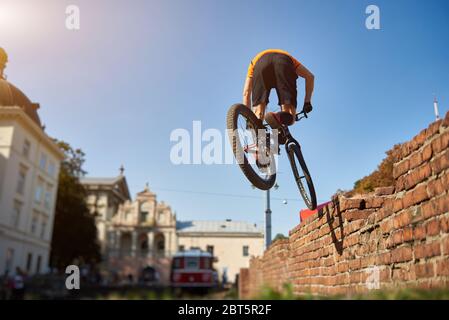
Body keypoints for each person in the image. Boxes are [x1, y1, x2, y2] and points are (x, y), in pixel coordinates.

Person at [242, 49, 314, 140]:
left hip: (259, 62)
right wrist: (307, 102)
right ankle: (277, 117)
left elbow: (246, 93)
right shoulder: (290, 58)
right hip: (283, 60)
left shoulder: (252, 63)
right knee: (290, 117)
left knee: (258, 116)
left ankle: (259, 143)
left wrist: (249, 120)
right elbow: (310, 76)